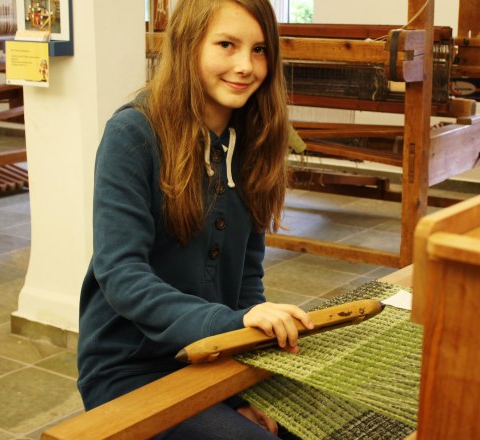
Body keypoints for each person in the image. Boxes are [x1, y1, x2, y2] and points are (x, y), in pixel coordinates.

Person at [76, 0, 313, 438]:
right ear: (188, 45)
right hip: (132, 368)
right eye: (227, 44)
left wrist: (244, 388)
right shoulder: (133, 134)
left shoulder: (255, 140)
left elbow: (246, 279)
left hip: (220, 356)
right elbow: (121, 273)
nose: (245, 65)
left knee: (323, 426)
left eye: (260, 50)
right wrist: (232, 325)